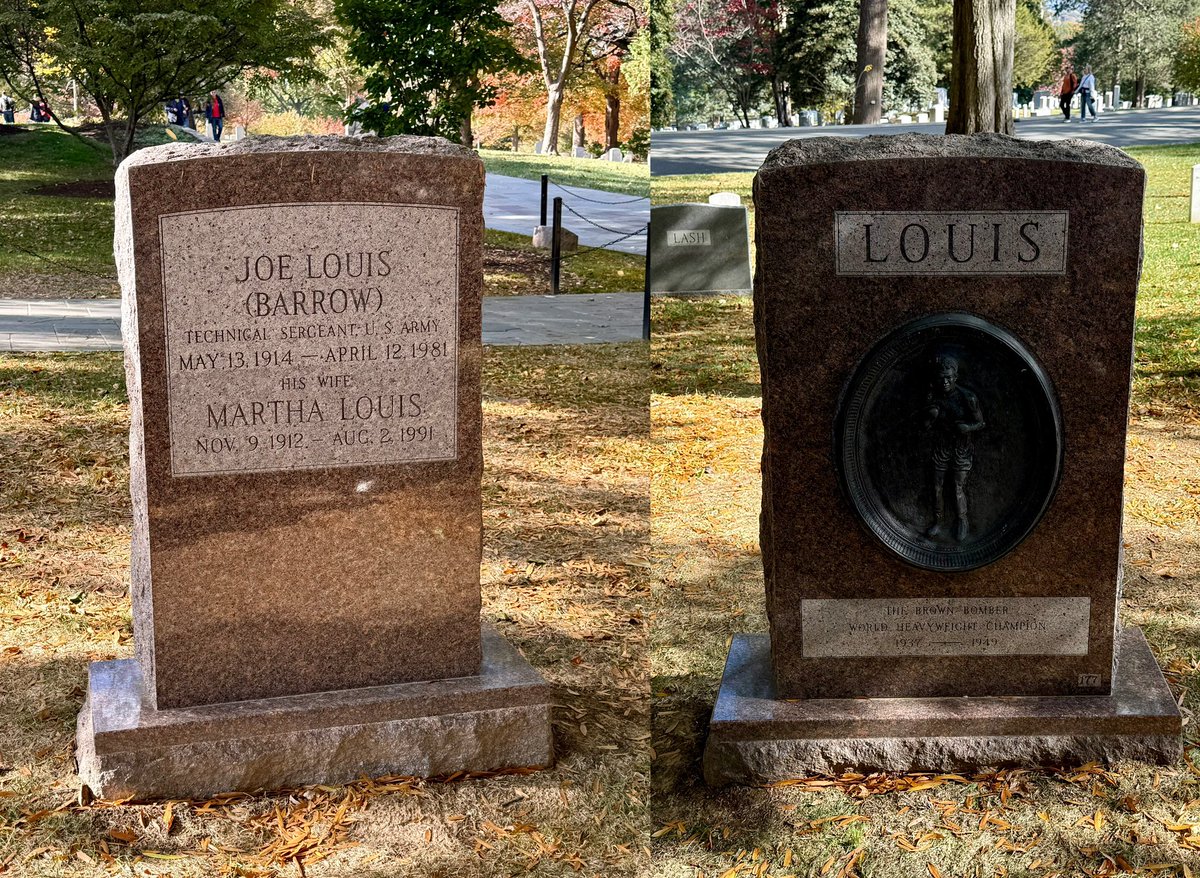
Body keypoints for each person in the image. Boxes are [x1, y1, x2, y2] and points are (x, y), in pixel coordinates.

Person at [923, 353, 985, 543]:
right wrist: (931, 416)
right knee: (937, 487)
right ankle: (938, 521)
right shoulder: (933, 396)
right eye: (942, 377)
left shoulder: (968, 398)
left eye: (949, 377)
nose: (945, 381)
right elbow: (925, 427)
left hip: (961, 448)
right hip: (942, 447)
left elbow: (981, 423)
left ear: (955, 377)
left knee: (957, 487)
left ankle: (962, 521)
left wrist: (968, 427)